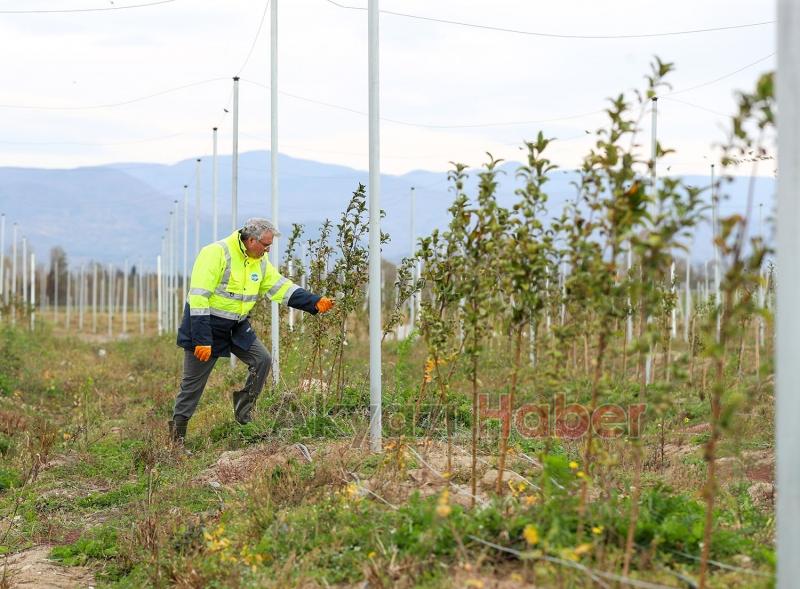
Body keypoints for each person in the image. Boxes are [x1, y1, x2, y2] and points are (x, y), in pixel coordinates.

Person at [169, 217, 334, 442]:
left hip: (236, 326)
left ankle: (244, 413)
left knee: (262, 360)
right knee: (192, 386)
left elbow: (280, 287)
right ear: (250, 240)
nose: (267, 251)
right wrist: (201, 339)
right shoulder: (215, 253)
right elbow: (199, 297)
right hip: (205, 325)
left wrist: (313, 302)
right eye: (265, 245)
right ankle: (176, 439)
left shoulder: (259, 261)